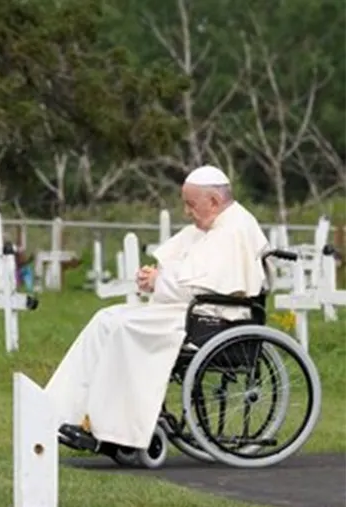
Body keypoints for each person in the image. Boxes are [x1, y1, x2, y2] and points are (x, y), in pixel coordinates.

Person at [50, 165, 270, 453]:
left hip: (214, 318)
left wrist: (159, 282)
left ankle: (112, 431)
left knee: (125, 327)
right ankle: (58, 412)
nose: (187, 212)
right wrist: (154, 277)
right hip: (194, 311)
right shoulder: (212, 226)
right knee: (106, 318)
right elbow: (188, 273)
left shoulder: (234, 230)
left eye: (191, 204)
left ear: (214, 201)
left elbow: (208, 288)